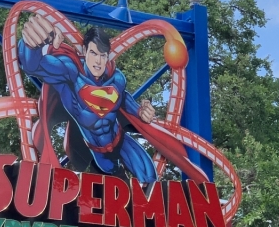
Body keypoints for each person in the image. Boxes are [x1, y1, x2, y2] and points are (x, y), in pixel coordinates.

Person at [18, 16, 208, 184]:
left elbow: (129, 105)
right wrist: (32, 44)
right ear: (85, 50)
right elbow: (34, 66)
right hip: (94, 151)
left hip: (120, 141)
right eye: (93, 53)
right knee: (108, 184)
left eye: (103, 55)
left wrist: (143, 111)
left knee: (150, 178)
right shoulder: (71, 73)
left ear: (108, 55)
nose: (98, 62)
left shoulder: (116, 79)